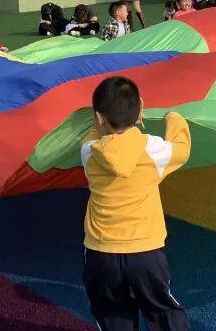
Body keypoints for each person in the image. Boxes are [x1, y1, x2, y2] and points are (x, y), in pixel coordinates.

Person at [81, 76, 191, 331]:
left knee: (111, 312)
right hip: (145, 252)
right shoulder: (153, 150)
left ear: (98, 118)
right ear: (140, 109)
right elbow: (182, 148)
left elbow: (93, 135)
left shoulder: (89, 151)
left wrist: (99, 124)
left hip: (101, 252)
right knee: (162, 309)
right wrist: (174, 118)